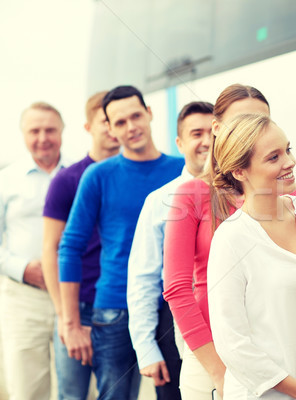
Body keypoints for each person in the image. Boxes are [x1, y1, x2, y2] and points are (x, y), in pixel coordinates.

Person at [163, 84, 296, 400]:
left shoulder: (293, 197)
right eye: (243, 123)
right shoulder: (191, 196)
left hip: (280, 358)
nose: (255, 132)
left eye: (263, 123)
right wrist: (216, 370)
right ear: (216, 129)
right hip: (213, 362)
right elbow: (177, 290)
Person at [58, 86, 184, 400]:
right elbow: (70, 246)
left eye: (136, 116)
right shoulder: (98, 176)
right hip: (115, 309)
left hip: (174, 305)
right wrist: (71, 321)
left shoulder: (182, 169)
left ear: (150, 113)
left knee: (179, 394)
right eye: (120, 122)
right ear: (111, 130)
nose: (131, 127)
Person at [206, 113, 296, 399]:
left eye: (288, 150)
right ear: (239, 171)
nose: (289, 162)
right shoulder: (230, 240)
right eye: (274, 157)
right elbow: (233, 343)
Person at [127, 101, 214, 400]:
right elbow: (143, 277)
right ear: (180, 143)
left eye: (213, 132)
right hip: (173, 322)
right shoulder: (160, 200)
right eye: (196, 133)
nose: (206, 142)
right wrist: (146, 347)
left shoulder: (239, 193)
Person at [41, 91, 120, 400]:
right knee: (71, 395)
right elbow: (51, 249)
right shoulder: (67, 180)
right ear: (89, 127)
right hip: (79, 306)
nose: (115, 127)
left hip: (120, 308)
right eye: (106, 121)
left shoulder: (132, 175)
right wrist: (65, 316)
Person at [0, 102, 67, 399]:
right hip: (24, 297)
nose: (43, 138)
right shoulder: (6, 180)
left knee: (79, 387)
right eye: (34, 131)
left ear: (62, 131)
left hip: (73, 294)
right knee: (27, 389)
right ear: (23, 134)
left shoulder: (81, 174)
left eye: (50, 129)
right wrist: (23, 268)